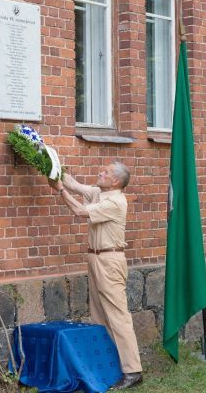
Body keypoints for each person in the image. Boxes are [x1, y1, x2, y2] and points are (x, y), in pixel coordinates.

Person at [48, 161, 143, 390]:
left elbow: (80, 210)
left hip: (110, 261)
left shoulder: (115, 201)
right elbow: (74, 184)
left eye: (106, 172)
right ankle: (110, 364)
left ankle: (133, 371)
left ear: (116, 181)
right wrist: (49, 161)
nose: (100, 173)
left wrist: (59, 189)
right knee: (99, 315)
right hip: (96, 257)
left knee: (118, 316)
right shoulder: (101, 193)